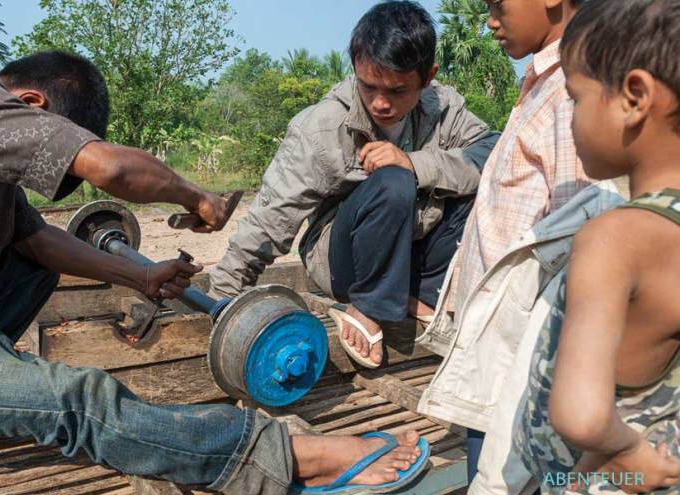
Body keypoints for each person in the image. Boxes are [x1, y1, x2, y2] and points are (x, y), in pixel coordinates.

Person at [0, 51, 427, 495]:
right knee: (77, 398)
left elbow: (37, 241)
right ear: (30, 105)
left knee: (30, 255)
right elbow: (109, 167)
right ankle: (277, 457)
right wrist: (194, 195)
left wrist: (143, 274)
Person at [208, 0, 498, 367]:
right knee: (393, 180)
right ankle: (367, 307)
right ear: (356, 69)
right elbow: (269, 220)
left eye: (397, 91)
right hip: (344, 264)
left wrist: (417, 162)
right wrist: (221, 301)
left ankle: (417, 294)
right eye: (369, 86)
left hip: (410, 255)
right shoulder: (322, 128)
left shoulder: (444, 108)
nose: (380, 104)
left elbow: (493, 152)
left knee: (477, 186)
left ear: (427, 78)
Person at [415, 0, 599, 495]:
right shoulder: (543, 82)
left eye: (497, 5)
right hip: (504, 341)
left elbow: (577, 231)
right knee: (500, 488)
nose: (489, 20)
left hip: (523, 349)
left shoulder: (572, 91)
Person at [517, 1, 680, 495]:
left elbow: (582, 417)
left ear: (634, 97)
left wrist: (628, 453)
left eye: (576, 98)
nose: (570, 117)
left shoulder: (614, 239)